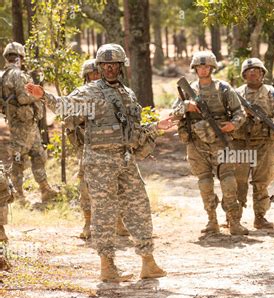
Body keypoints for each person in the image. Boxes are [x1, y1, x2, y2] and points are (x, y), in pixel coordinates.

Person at [25, 43, 166, 282]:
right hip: (100, 161)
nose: (110, 69)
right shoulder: (91, 91)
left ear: (121, 67)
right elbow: (64, 105)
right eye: (105, 65)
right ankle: (108, 266)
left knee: (139, 206)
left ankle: (148, 261)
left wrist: (158, 127)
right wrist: (44, 96)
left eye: (114, 65)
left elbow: (133, 130)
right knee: (105, 211)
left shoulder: (127, 94)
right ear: (100, 67)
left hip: (125, 159)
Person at [171, 51, 248, 235]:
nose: (203, 70)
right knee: (204, 182)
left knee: (228, 180)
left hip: (221, 141)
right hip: (197, 144)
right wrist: (186, 106)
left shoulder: (223, 88)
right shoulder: (188, 89)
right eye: (199, 66)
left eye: (206, 67)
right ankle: (211, 220)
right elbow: (174, 113)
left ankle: (234, 221)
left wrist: (232, 125)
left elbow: (240, 112)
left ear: (212, 68)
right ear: (195, 68)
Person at [64, 58, 129, 240]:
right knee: (86, 186)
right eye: (91, 74)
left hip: (112, 148)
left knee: (117, 184)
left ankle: (118, 221)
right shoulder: (80, 95)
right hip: (87, 148)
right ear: (86, 76)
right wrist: (83, 117)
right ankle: (88, 222)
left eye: (97, 73)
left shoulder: (115, 92)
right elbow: (68, 118)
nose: (95, 76)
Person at [1, 42, 58, 205]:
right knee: (18, 159)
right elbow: (23, 97)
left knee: (38, 154)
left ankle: (45, 189)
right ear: (19, 57)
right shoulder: (17, 75)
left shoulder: (5, 75)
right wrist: (39, 95)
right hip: (23, 124)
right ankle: (18, 196)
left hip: (25, 123)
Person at [234, 58, 274, 229]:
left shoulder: (272, 93)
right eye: (249, 71)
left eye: (256, 70)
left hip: (265, 143)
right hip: (241, 143)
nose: (253, 73)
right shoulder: (236, 94)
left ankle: (260, 217)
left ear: (262, 73)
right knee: (239, 181)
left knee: (262, 181)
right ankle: (234, 217)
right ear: (244, 75)